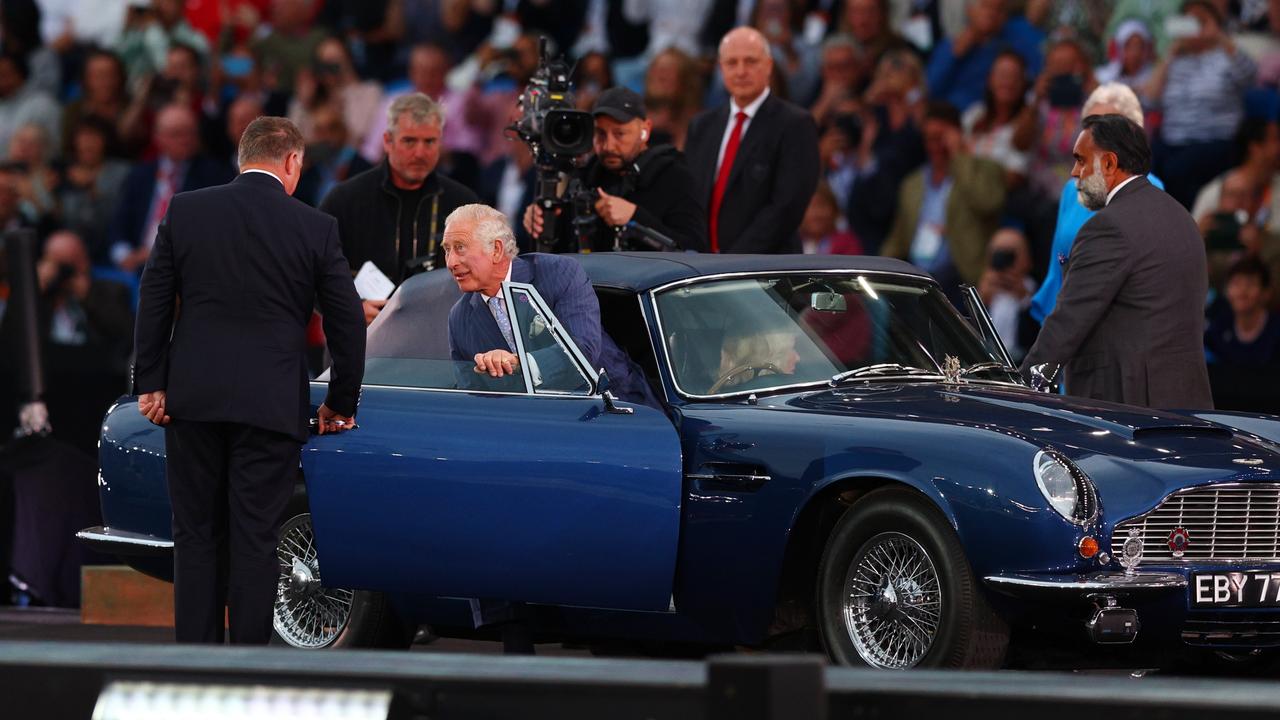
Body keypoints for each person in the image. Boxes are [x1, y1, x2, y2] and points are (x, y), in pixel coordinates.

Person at [132, 116, 366, 644]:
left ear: (243, 158)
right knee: (255, 538)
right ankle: (250, 666)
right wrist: (341, 401)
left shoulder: (187, 209)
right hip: (271, 404)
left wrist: (151, 381)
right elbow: (347, 320)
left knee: (194, 535)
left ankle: (197, 665)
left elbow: (153, 298)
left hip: (193, 399)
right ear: (292, 163)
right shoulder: (314, 226)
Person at [1020, 114, 1213, 409]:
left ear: (1109, 163)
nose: (1074, 172)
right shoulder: (1181, 217)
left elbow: (1068, 322)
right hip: (1187, 402)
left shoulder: (1108, 228)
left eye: (1081, 160)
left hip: (1127, 408)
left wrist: (1021, 386)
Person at [444, 203, 658, 409]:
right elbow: (471, 399)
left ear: (497, 250)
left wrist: (519, 363)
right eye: (447, 250)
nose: (451, 262)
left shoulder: (559, 274)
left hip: (613, 410)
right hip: (531, 429)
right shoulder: (460, 317)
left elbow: (583, 350)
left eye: (460, 248)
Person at [320, 92, 479, 326]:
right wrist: (348, 308)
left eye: (429, 142)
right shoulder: (345, 199)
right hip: (361, 342)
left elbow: (488, 277)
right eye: (409, 141)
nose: (419, 153)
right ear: (387, 141)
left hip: (436, 342)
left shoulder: (464, 204)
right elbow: (310, 272)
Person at [1029, 83, 1164, 323]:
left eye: (1108, 126)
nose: (1095, 137)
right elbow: (1057, 264)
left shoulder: (1150, 188)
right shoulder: (1072, 188)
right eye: (1090, 126)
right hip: (1064, 320)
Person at [521, 86, 707, 254]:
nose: (609, 145)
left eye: (620, 134)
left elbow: (694, 251)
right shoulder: (586, 177)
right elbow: (562, 250)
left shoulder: (675, 177)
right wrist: (543, 222)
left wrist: (635, 218)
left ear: (645, 130)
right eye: (600, 134)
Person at [685, 26, 819, 253]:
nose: (740, 71)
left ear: (768, 65)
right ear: (721, 68)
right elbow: (690, 198)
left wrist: (735, 261)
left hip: (767, 269)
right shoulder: (701, 126)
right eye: (732, 63)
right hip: (706, 268)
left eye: (750, 61)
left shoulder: (795, 124)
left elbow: (786, 208)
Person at [881, 101, 1006, 296]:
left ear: (956, 135)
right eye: (929, 139)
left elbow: (987, 202)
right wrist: (878, 272)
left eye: (941, 138)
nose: (935, 146)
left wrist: (959, 154)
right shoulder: (913, 183)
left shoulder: (985, 169)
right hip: (919, 279)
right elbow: (899, 237)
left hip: (963, 279)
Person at [108, 103, 235, 273]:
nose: (185, 140)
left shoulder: (216, 176)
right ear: (158, 138)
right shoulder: (141, 175)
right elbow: (118, 225)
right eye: (177, 134)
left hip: (185, 268)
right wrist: (124, 256)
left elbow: (212, 233)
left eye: (190, 132)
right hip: (137, 266)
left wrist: (156, 254)